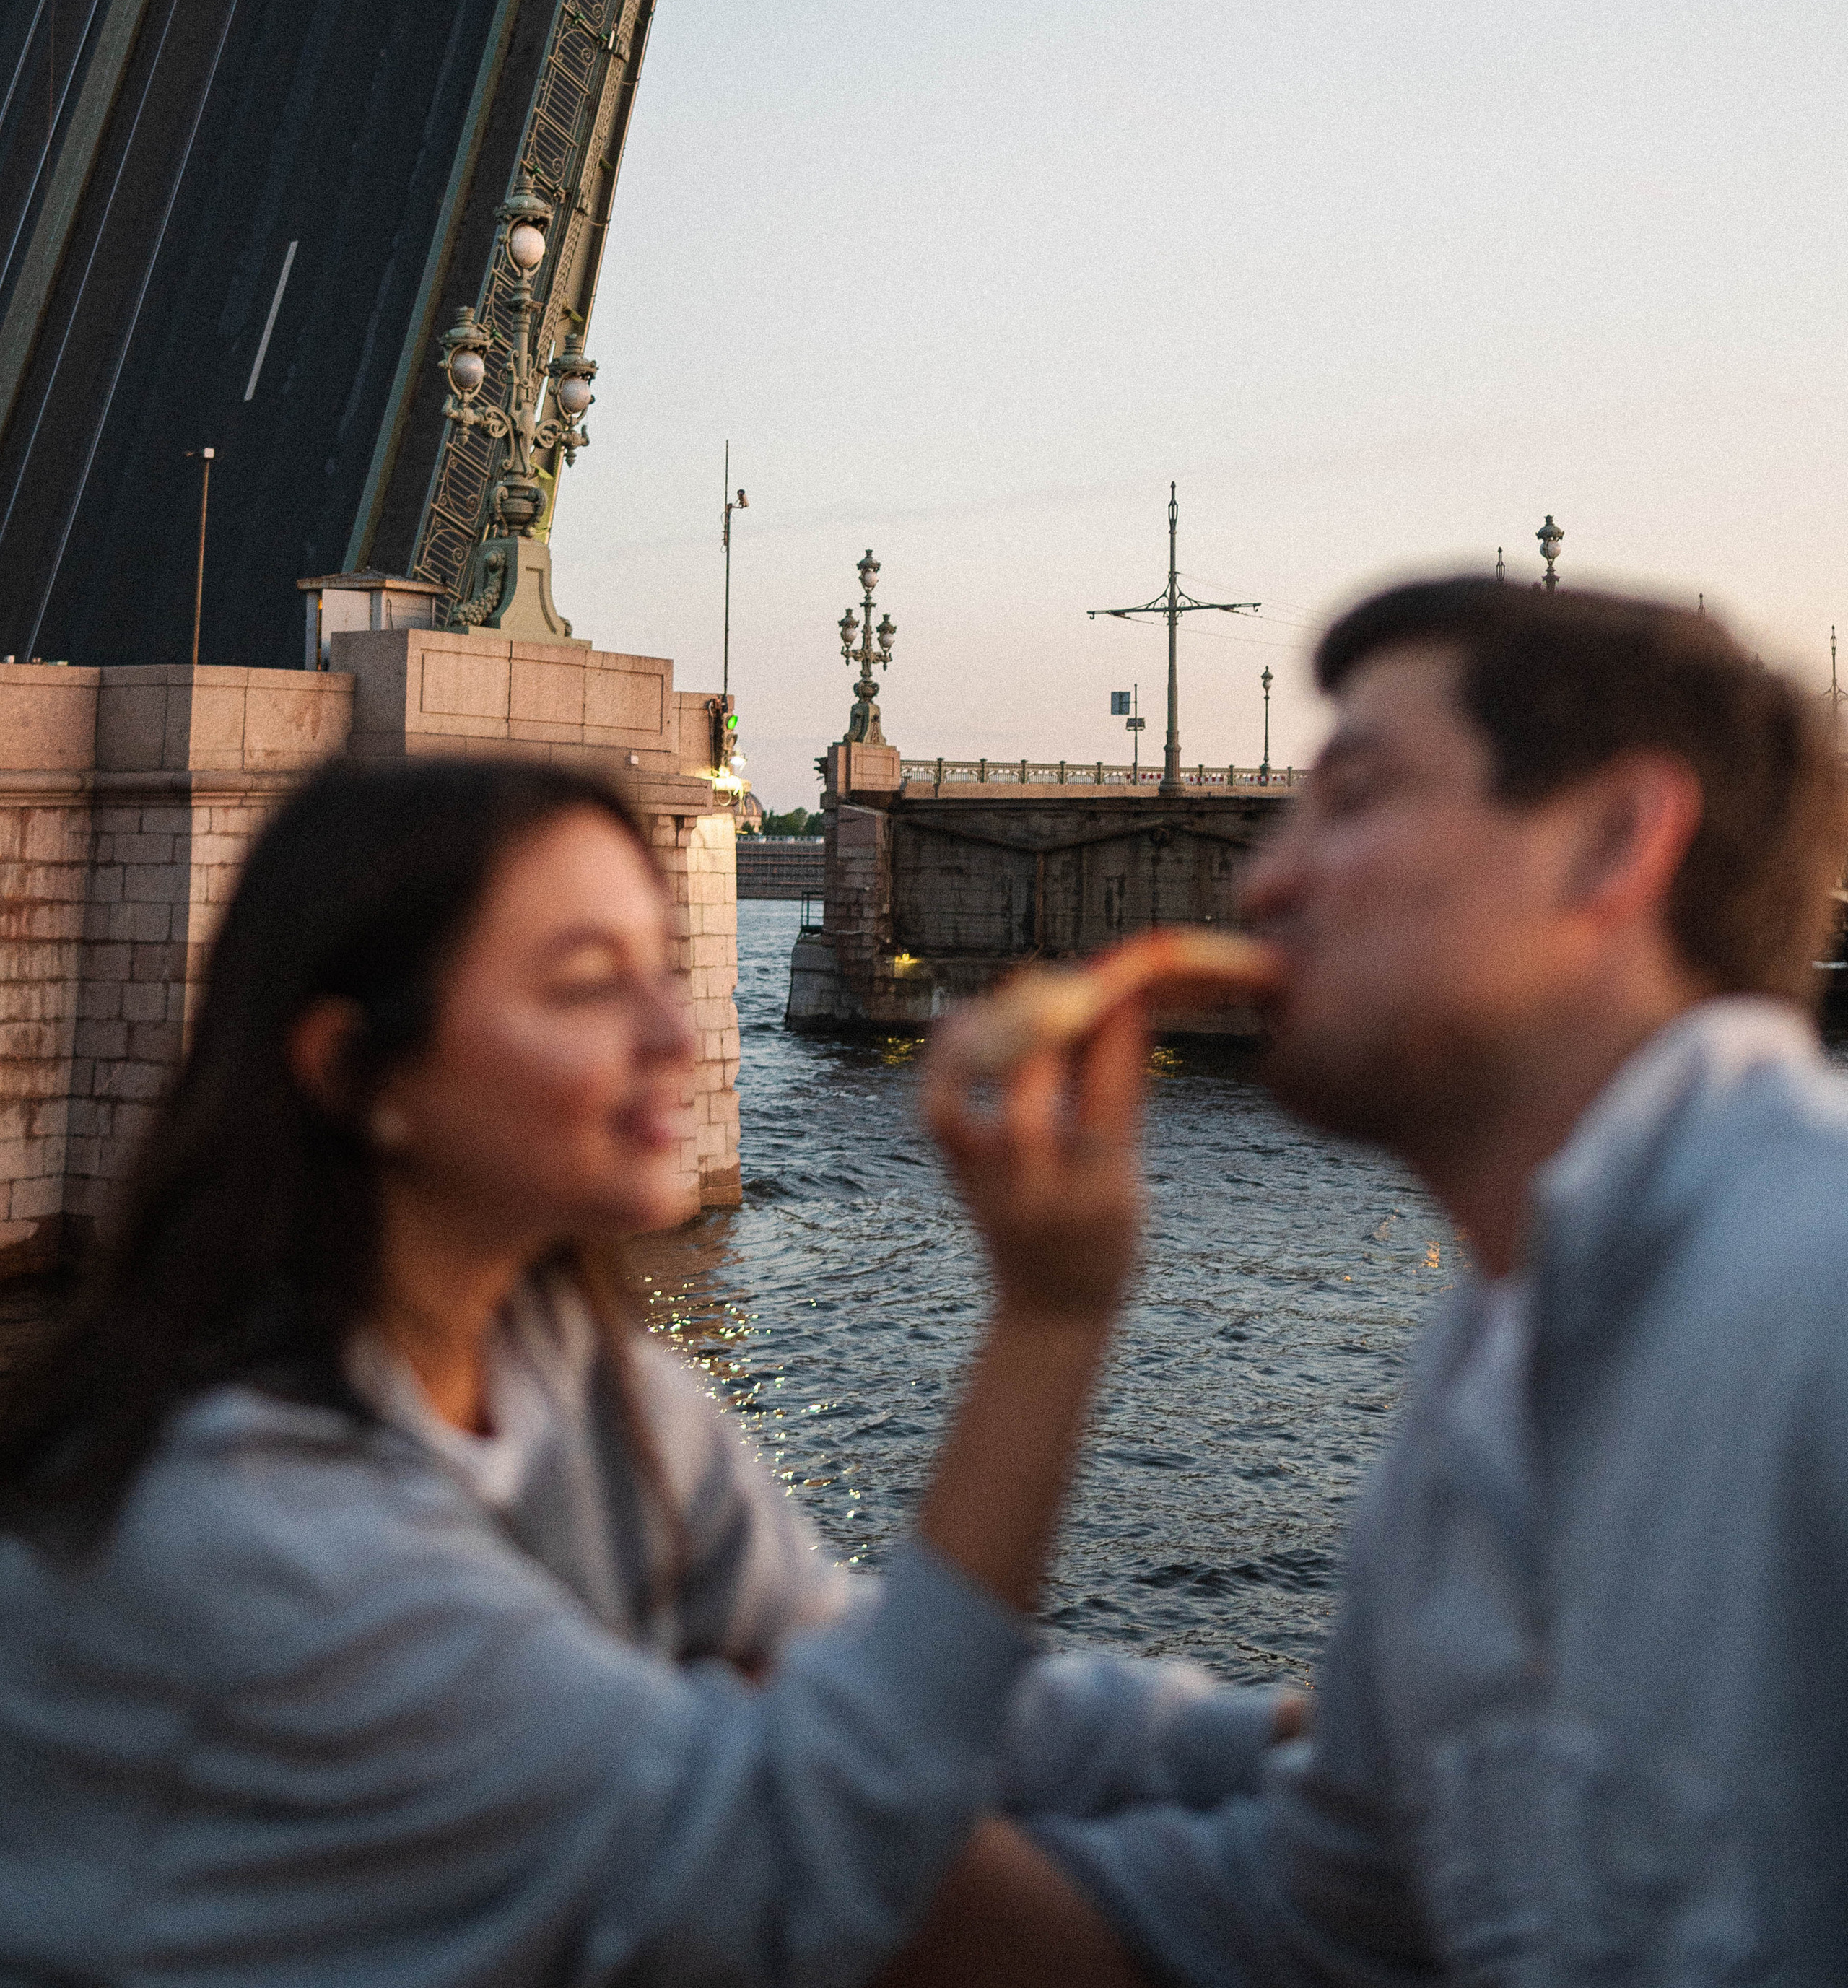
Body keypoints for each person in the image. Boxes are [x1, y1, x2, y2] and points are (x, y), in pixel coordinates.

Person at [0, 757, 1276, 1987]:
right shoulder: (244, 1532)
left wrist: (1273, 1737)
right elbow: (811, 1871)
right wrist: (1049, 1319)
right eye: (586, 984)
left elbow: (866, 1676)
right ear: (352, 1070)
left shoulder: (589, 1388)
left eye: (664, 970)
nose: (678, 1033)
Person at [906, 577, 1848, 1985]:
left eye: (1352, 797)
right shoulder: (1486, 1351)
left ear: (1609, 839)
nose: (1262, 880)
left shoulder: (1813, 1288)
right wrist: (709, 1817)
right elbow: (1327, 1914)